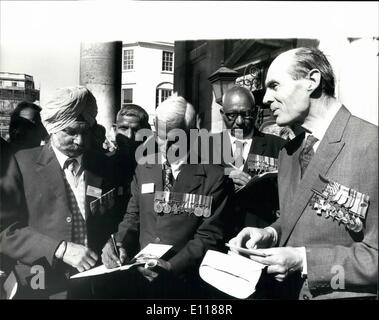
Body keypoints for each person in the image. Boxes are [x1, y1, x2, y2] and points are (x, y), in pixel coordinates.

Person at [229, 47, 378, 299]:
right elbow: (297, 218)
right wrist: (270, 233)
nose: (265, 98)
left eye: (275, 85)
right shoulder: (289, 153)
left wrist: (304, 261)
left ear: (312, 81)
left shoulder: (371, 145)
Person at [101, 94, 234, 298]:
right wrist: (120, 244)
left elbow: (209, 236)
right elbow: (133, 217)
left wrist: (172, 266)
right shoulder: (145, 167)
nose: (167, 147)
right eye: (162, 137)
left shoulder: (214, 177)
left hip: (185, 283)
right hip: (141, 279)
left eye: (176, 139)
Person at [0, 86, 119, 299]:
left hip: (95, 286)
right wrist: (60, 249)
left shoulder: (104, 165)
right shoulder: (19, 163)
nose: (80, 141)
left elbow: (112, 218)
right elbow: (5, 230)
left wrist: (114, 242)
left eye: (85, 132)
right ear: (52, 127)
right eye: (71, 132)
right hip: (40, 285)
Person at [210, 85, 286, 233]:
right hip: (215, 236)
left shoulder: (279, 147)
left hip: (258, 236)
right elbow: (197, 183)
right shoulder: (205, 146)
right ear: (222, 113)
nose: (239, 121)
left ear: (256, 112)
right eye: (231, 115)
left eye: (246, 114)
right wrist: (225, 174)